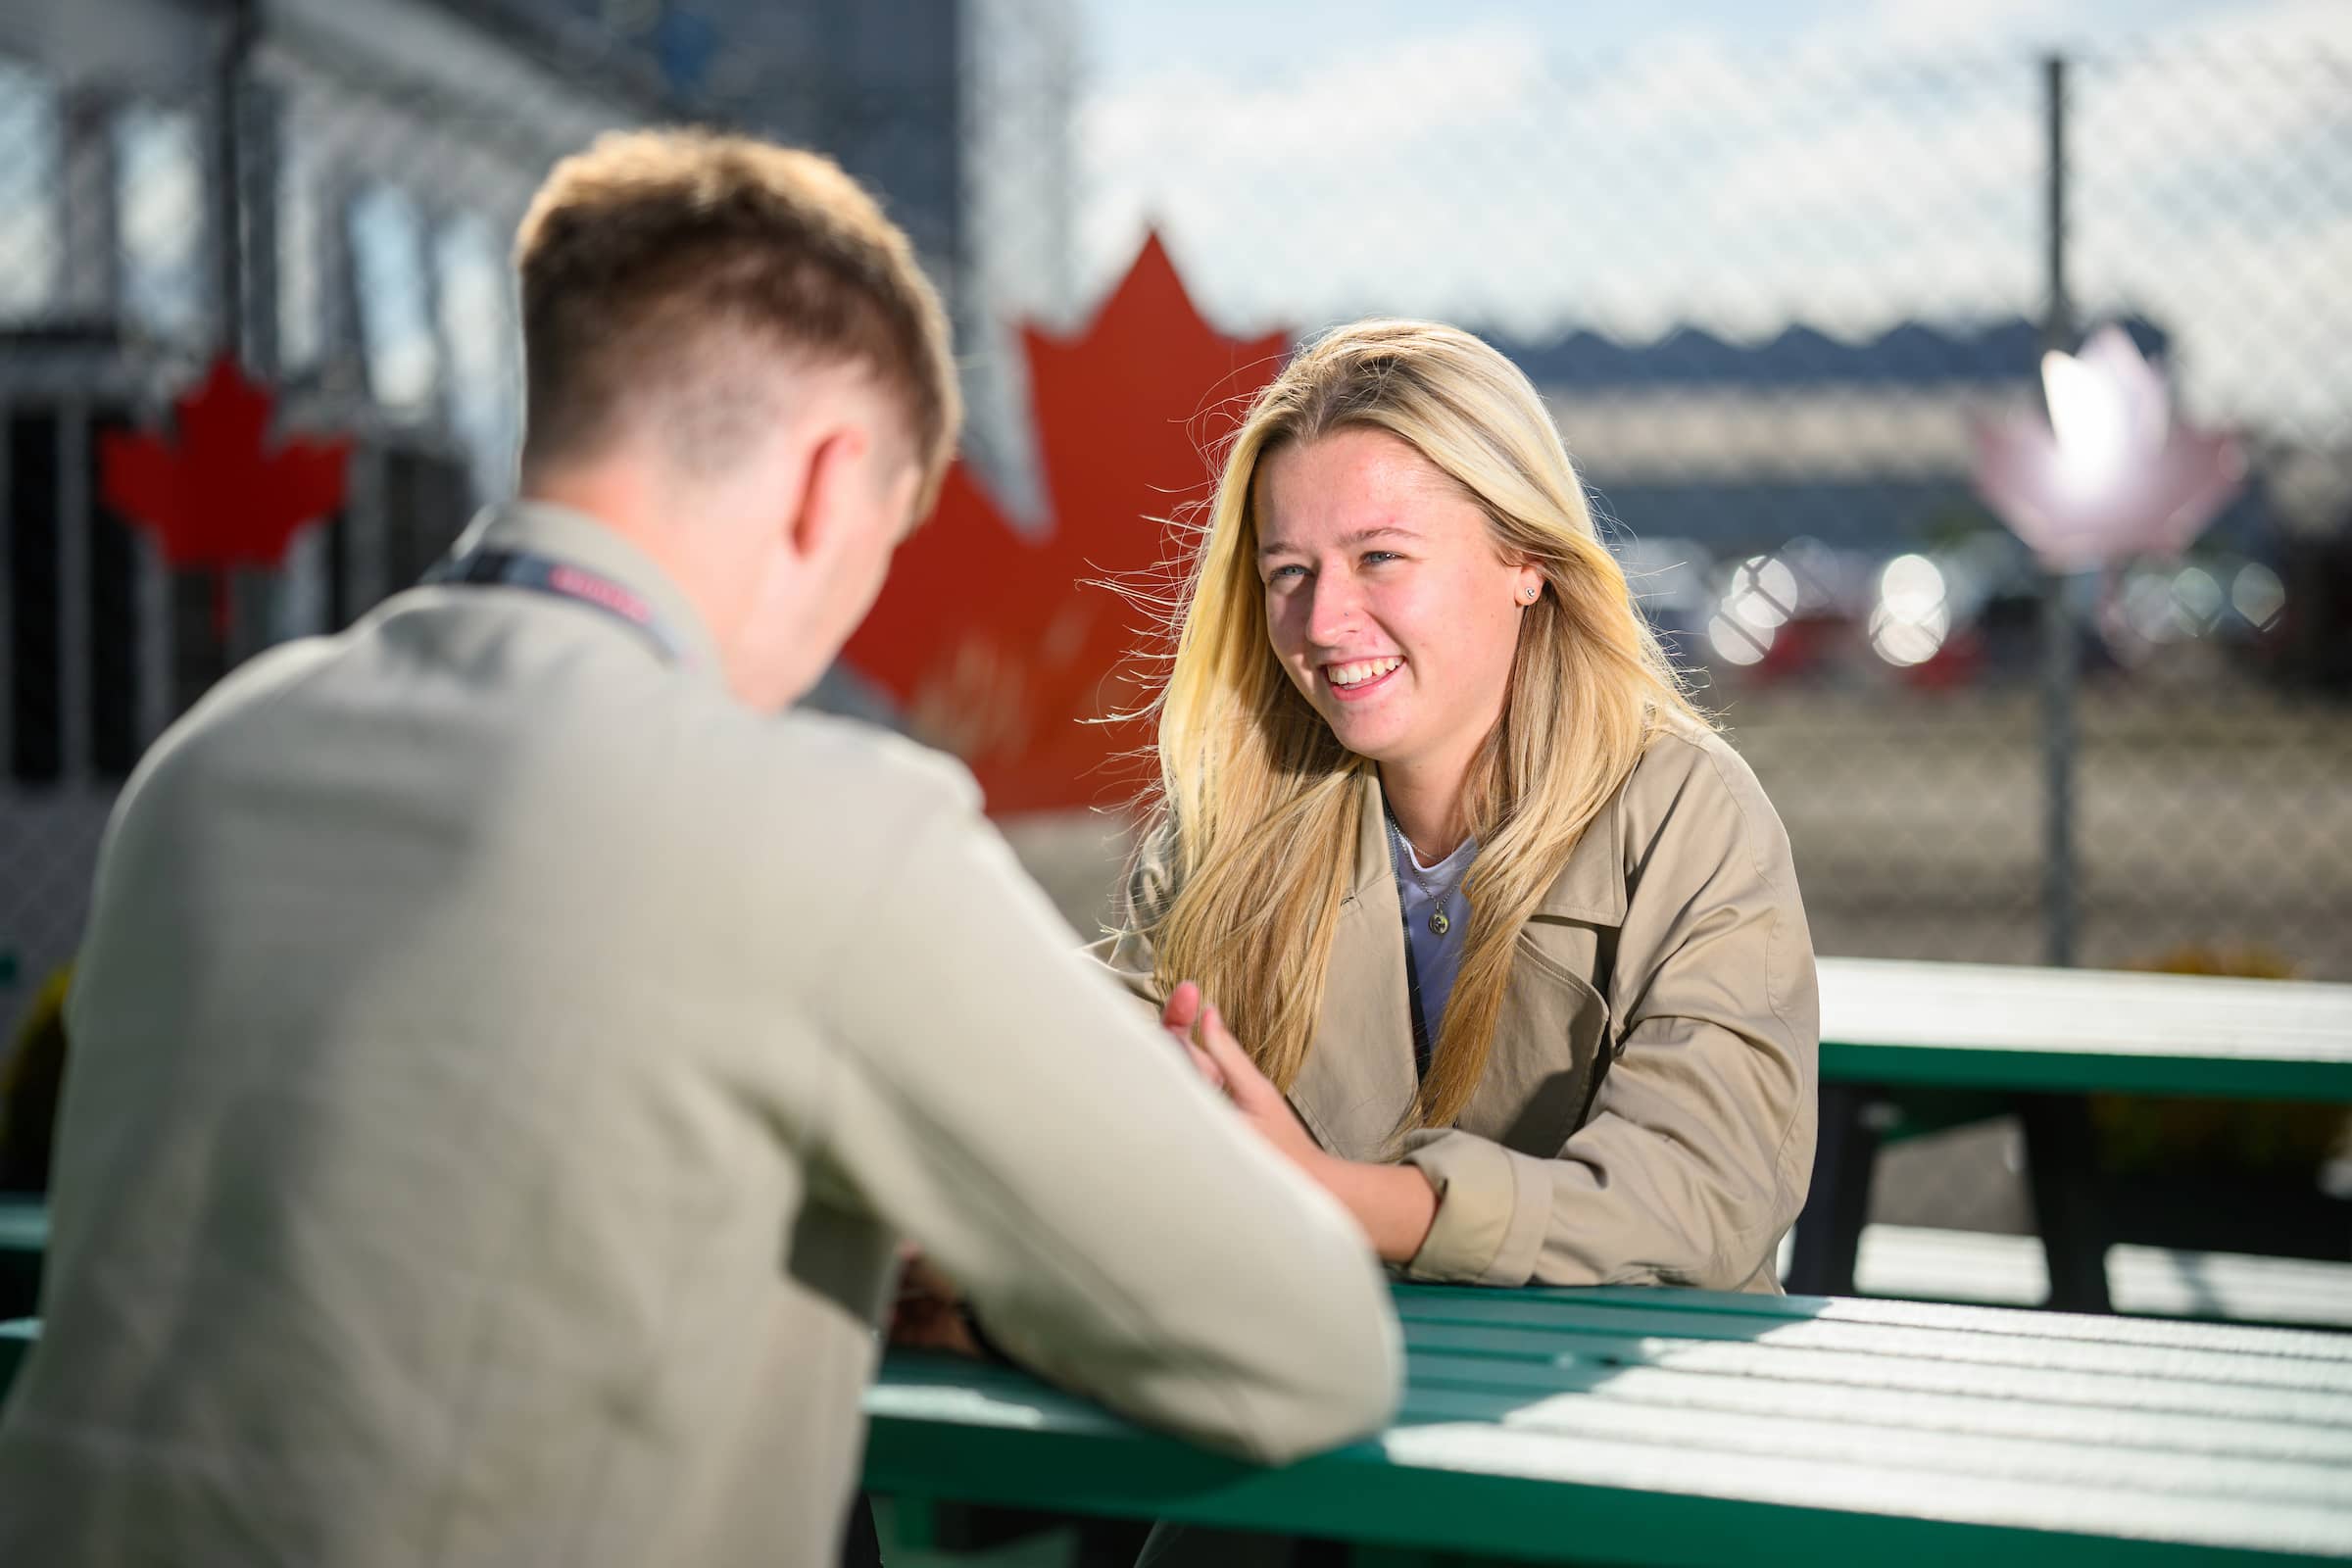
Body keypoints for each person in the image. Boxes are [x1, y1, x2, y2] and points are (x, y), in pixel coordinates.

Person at [0, 130, 1400, 1567]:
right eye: (890, 541)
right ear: (827, 484)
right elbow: (1308, 1346)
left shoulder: (213, 766)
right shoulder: (824, 830)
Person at [1104, 318, 1818, 1293]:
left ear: (1526, 557)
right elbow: (1098, 1101)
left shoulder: (1686, 813)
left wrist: (1334, 1196)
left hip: (1633, 1410)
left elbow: (1699, 1195)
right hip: (1326, 1396)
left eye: (1379, 558)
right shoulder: (1230, 824)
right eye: (1289, 573)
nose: (1321, 622)